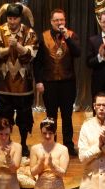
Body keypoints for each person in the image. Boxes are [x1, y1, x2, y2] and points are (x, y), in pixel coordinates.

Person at [0, 3, 37, 157]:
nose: (11, 21)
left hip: (23, 85)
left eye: (15, 18)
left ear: (20, 18)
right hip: (3, 85)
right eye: (9, 18)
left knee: (24, 116)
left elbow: (32, 55)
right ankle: (5, 142)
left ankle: (23, 143)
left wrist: (18, 46)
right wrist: (7, 49)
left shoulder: (29, 32)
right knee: (4, 115)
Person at [34, 8, 81, 156]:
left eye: (61, 20)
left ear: (65, 21)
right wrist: (38, 81)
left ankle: (68, 144)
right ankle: (51, 143)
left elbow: (77, 53)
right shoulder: (43, 36)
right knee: (51, 115)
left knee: (67, 116)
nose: (59, 22)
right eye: (56, 20)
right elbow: (37, 62)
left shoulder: (71, 35)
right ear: (51, 22)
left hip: (68, 83)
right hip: (49, 83)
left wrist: (67, 37)